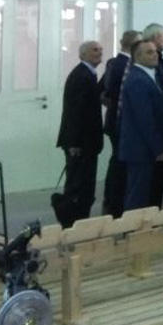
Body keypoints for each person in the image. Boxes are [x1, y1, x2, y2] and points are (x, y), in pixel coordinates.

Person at [53, 40, 104, 227]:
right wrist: (74, 142)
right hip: (80, 144)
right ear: (82, 54)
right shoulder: (81, 76)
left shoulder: (88, 74)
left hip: (86, 143)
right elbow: (75, 111)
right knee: (78, 186)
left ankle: (79, 222)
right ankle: (73, 223)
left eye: (100, 50)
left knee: (84, 186)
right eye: (94, 50)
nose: (99, 52)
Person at [118, 40, 163, 211]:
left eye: (155, 51)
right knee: (138, 196)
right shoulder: (138, 80)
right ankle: (133, 227)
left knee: (145, 194)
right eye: (149, 52)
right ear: (137, 56)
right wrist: (158, 147)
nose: (155, 55)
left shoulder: (149, 75)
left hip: (144, 148)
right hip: (140, 148)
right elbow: (144, 119)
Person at [99, 29, 138, 217]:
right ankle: (115, 205)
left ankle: (111, 203)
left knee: (116, 162)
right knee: (119, 166)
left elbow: (102, 90)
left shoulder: (113, 63)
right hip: (120, 122)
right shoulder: (124, 65)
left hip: (113, 120)